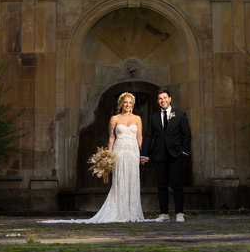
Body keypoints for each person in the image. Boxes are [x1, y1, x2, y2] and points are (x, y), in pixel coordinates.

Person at [41, 92, 145, 224]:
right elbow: (112, 138)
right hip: (120, 151)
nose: (128, 105)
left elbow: (140, 137)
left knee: (132, 180)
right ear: (121, 104)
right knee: (120, 180)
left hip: (133, 151)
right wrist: (109, 157)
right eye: (125, 102)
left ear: (133, 104)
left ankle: (133, 212)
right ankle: (120, 212)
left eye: (130, 103)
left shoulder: (137, 119)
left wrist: (142, 154)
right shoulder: (114, 118)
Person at [140, 87, 191, 222]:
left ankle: (179, 213)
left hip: (175, 155)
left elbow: (186, 134)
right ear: (158, 101)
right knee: (161, 185)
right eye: (160, 99)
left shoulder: (180, 115)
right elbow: (148, 136)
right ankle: (164, 213)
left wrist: (184, 151)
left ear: (170, 99)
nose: (163, 100)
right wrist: (143, 154)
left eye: (165, 98)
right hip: (159, 155)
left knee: (177, 184)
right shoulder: (153, 117)